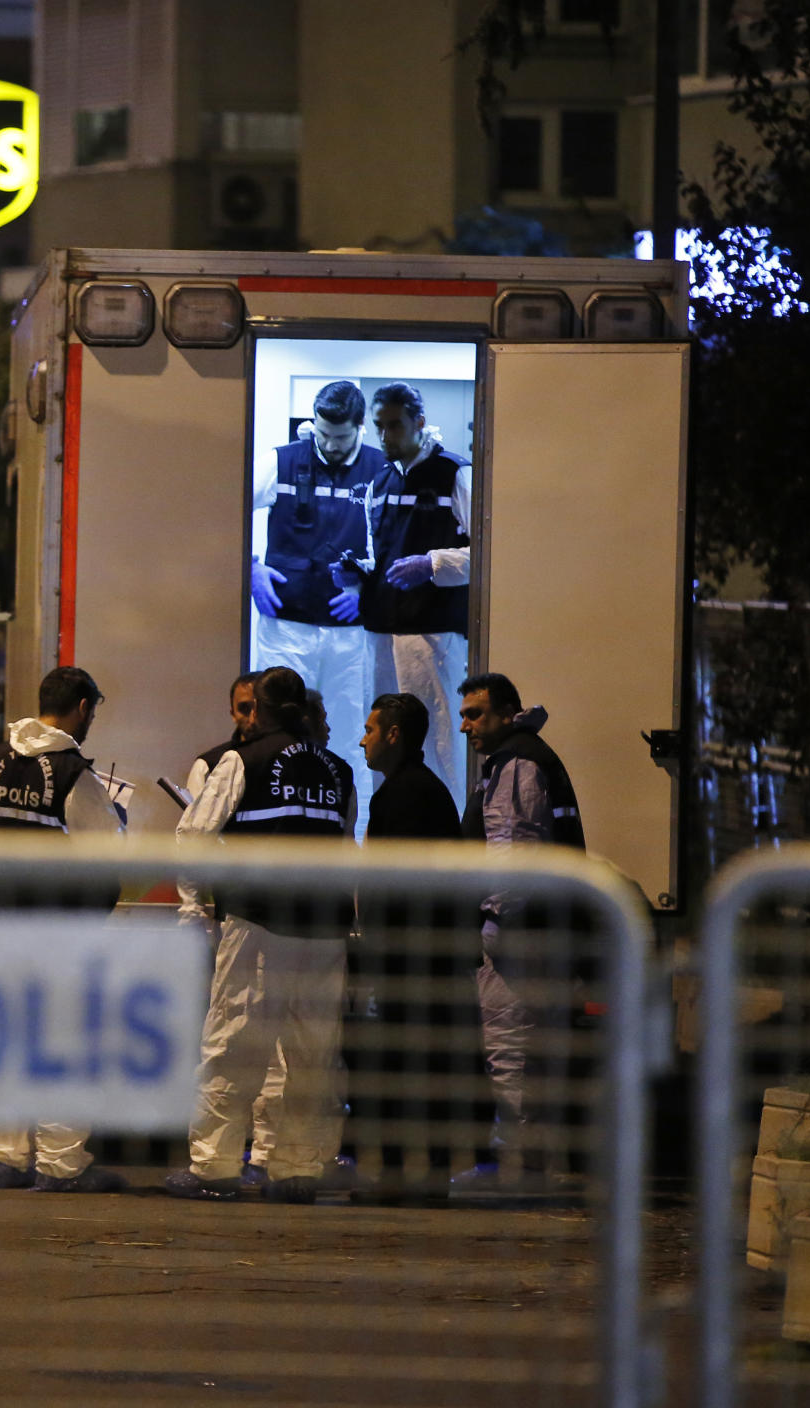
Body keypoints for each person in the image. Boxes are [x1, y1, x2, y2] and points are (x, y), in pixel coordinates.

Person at [166, 666, 356, 1205]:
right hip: (323, 931)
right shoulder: (338, 770)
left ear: (263, 710)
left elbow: (194, 835)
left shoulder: (241, 760)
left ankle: (214, 1167)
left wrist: (195, 907)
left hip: (258, 923)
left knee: (233, 1044)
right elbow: (344, 851)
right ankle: (296, 1169)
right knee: (312, 1054)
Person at [0, 665, 127, 1194]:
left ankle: (6, 1157)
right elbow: (106, 854)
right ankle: (61, 1163)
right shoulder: (72, 773)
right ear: (81, 708)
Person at [456, 671, 585, 1187]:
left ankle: (518, 1168)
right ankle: (539, 1165)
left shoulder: (515, 763)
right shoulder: (530, 755)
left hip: (519, 935)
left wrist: (495, 923)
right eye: (463, 715)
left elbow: (513, 852)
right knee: (540, 1053)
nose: (466, 726)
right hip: (548, 930)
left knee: (511, 1050)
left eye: (476, 715)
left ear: (507, 713)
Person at [353, 692, 470, 1202]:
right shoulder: (432, 790)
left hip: (409, 958)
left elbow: (388, 885)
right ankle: (434, 1175)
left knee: (399, 1068)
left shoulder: (398, 795)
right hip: (437, 955)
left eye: (371, 729)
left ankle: (400, 1177)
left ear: (394, 735)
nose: (363, 739)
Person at [334, 382, 471, 805]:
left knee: (437, 743)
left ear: (419, 423)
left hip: (432, 634)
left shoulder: (455, 473)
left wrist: (430, 565)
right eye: (379, 426)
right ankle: (386, 837)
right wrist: (358, 574)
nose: (384, 435)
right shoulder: (379, 479)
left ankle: (444, 842)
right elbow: (385, 555)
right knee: (380, 743)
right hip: (379, 632)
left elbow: (490, 553)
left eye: (394, 426)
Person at [251, 380, 384, 816]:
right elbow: (217, 508)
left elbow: (398, 547)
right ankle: (274, 821)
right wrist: (250, 568)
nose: (329, 444)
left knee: (350, 737)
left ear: (361, 427)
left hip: (352, 636)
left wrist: (368, 592)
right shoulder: (282, 461)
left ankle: (353, 839)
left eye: (340, 436)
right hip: (285, 627)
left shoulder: (382, 471)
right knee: (276, 730)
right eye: (322, 433)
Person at [185, 670, 260, 801]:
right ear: (233, 714)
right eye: (244, 708)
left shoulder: (291, 760)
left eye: (260, 708)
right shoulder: (207, 765)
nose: (253, 717)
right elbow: (194, 820)